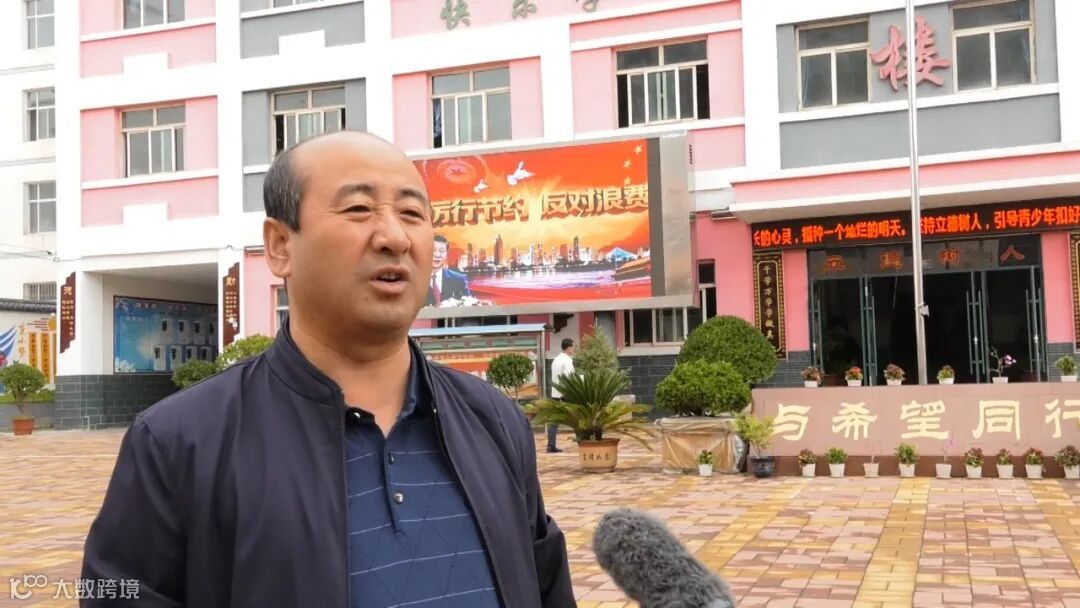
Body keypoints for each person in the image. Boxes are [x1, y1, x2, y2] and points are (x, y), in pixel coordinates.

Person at [80, 131, 575, 608]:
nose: (394, 237)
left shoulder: (494, 421)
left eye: (412, 213)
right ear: (280, 245)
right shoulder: (177, 443)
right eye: (358, 209)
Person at [547, 338, 576, 453]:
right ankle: (582, 440)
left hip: (555, 393)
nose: (574, 349)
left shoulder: (556, 360)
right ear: (569, 348)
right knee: (578, 416)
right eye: (573, 347)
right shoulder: (567, 361)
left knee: (554, 420)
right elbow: (568, 378)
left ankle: (551, 445)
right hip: (565, 394)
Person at [425, 234, 470, 306]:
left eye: (442, 251)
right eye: (433, 250)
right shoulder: (414, 281)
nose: (437, 255)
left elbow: (468, 306)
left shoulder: (459, 279)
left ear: (446, 254)